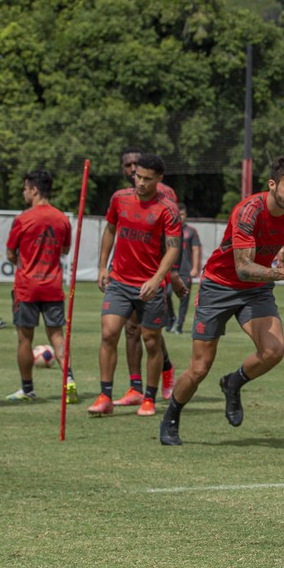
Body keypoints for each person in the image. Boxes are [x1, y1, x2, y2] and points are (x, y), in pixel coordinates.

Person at [160, 156, 284, 445]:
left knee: (274, 351)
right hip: (219, 286)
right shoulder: (248, 212)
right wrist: (282, 272)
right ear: (272, 184)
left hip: (256, 289)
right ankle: (171, 415)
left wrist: (283, 250)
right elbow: (243, 267)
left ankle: (233, 382)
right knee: (200, 367)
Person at [87, 153, 182, 417]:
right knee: (108, 334)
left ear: (159, 179)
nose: (140, 182)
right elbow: (109, 229)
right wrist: (103, 266)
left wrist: (157, 279)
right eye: (137, 176)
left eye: (147, 179)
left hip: (149, 285)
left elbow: (173, 249)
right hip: (119, 281)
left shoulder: (168, 209)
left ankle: (148, 398)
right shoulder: (119, 198)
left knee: (151, 342)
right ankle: (105, 395)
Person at [111, 147, 183, 407]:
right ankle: (135, 387)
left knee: (148, 332)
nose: (132, 171)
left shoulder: (166, 196)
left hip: (155, 274)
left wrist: (172, 275)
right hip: (126, 276)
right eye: (128, 166)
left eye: (135, 165)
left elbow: (172, 240)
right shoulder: (124, 197)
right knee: (131, 330)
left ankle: (165, 369)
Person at [3, 169, 78, 403]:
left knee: (25, 339)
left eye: (25, 189)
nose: (24, 193)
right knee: (57, 335)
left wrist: (24, 264)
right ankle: (69, 381)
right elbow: (65, 251)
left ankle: (27, 389)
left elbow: (9, 254)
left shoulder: (23, 219)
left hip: (27, 286)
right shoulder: (62, 218)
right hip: (53, 285)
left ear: (34, 190)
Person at [168, 203, 201, 334]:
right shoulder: (169, 230)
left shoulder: (191, 231)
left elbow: (196, 249)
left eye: (182, 214)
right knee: (167, 294)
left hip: (185, 270)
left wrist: (194, 268)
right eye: (178, 214)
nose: (180, 217)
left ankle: (179, 325)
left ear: (185, 215)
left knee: (184, 298)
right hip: (170, 270)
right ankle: (171, 318)